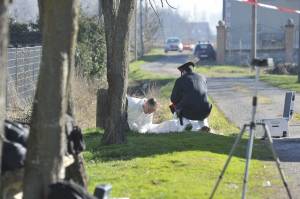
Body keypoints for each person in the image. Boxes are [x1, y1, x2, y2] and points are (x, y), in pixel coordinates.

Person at [170, 61, 212, 132]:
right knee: (200, 103)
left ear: (183, 72)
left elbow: (173, 99)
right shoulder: (203, 77)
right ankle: (204, 125)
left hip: (190, 112)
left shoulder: (180, 80)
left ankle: (186, 124)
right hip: (206, 110)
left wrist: (180, 100)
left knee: (174, 106)